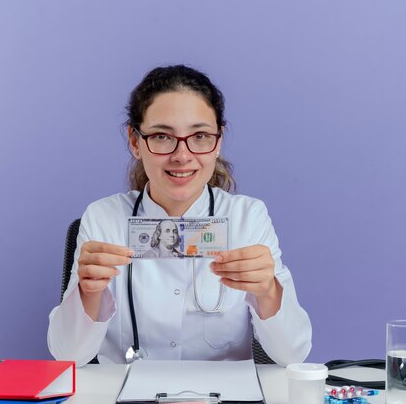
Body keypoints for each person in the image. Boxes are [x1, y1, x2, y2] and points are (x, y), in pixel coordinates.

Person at [48, 64, 312, 367]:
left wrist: (268, 292)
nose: (182, 155)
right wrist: (88, 293)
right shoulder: (103, 219)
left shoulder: (247, 217)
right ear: (136, 142)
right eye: (162, 136)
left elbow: (293, 355)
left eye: (199, 135)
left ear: (218, 141)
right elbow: (67, 356)